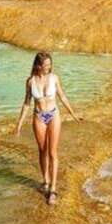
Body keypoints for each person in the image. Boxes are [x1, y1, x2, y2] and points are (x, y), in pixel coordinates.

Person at [14, 51, 80, 205]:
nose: (48, 67)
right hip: (39, 116)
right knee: (42, 150)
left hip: (53, 115)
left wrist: (73, 114)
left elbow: (62, 96)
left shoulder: (54, 78)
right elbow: (26, 104)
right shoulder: (30, 81)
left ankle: (53, 189)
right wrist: (19, 125)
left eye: (50, 64)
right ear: (38, 66)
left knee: (52, 152)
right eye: (46, 65)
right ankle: (46, 181)